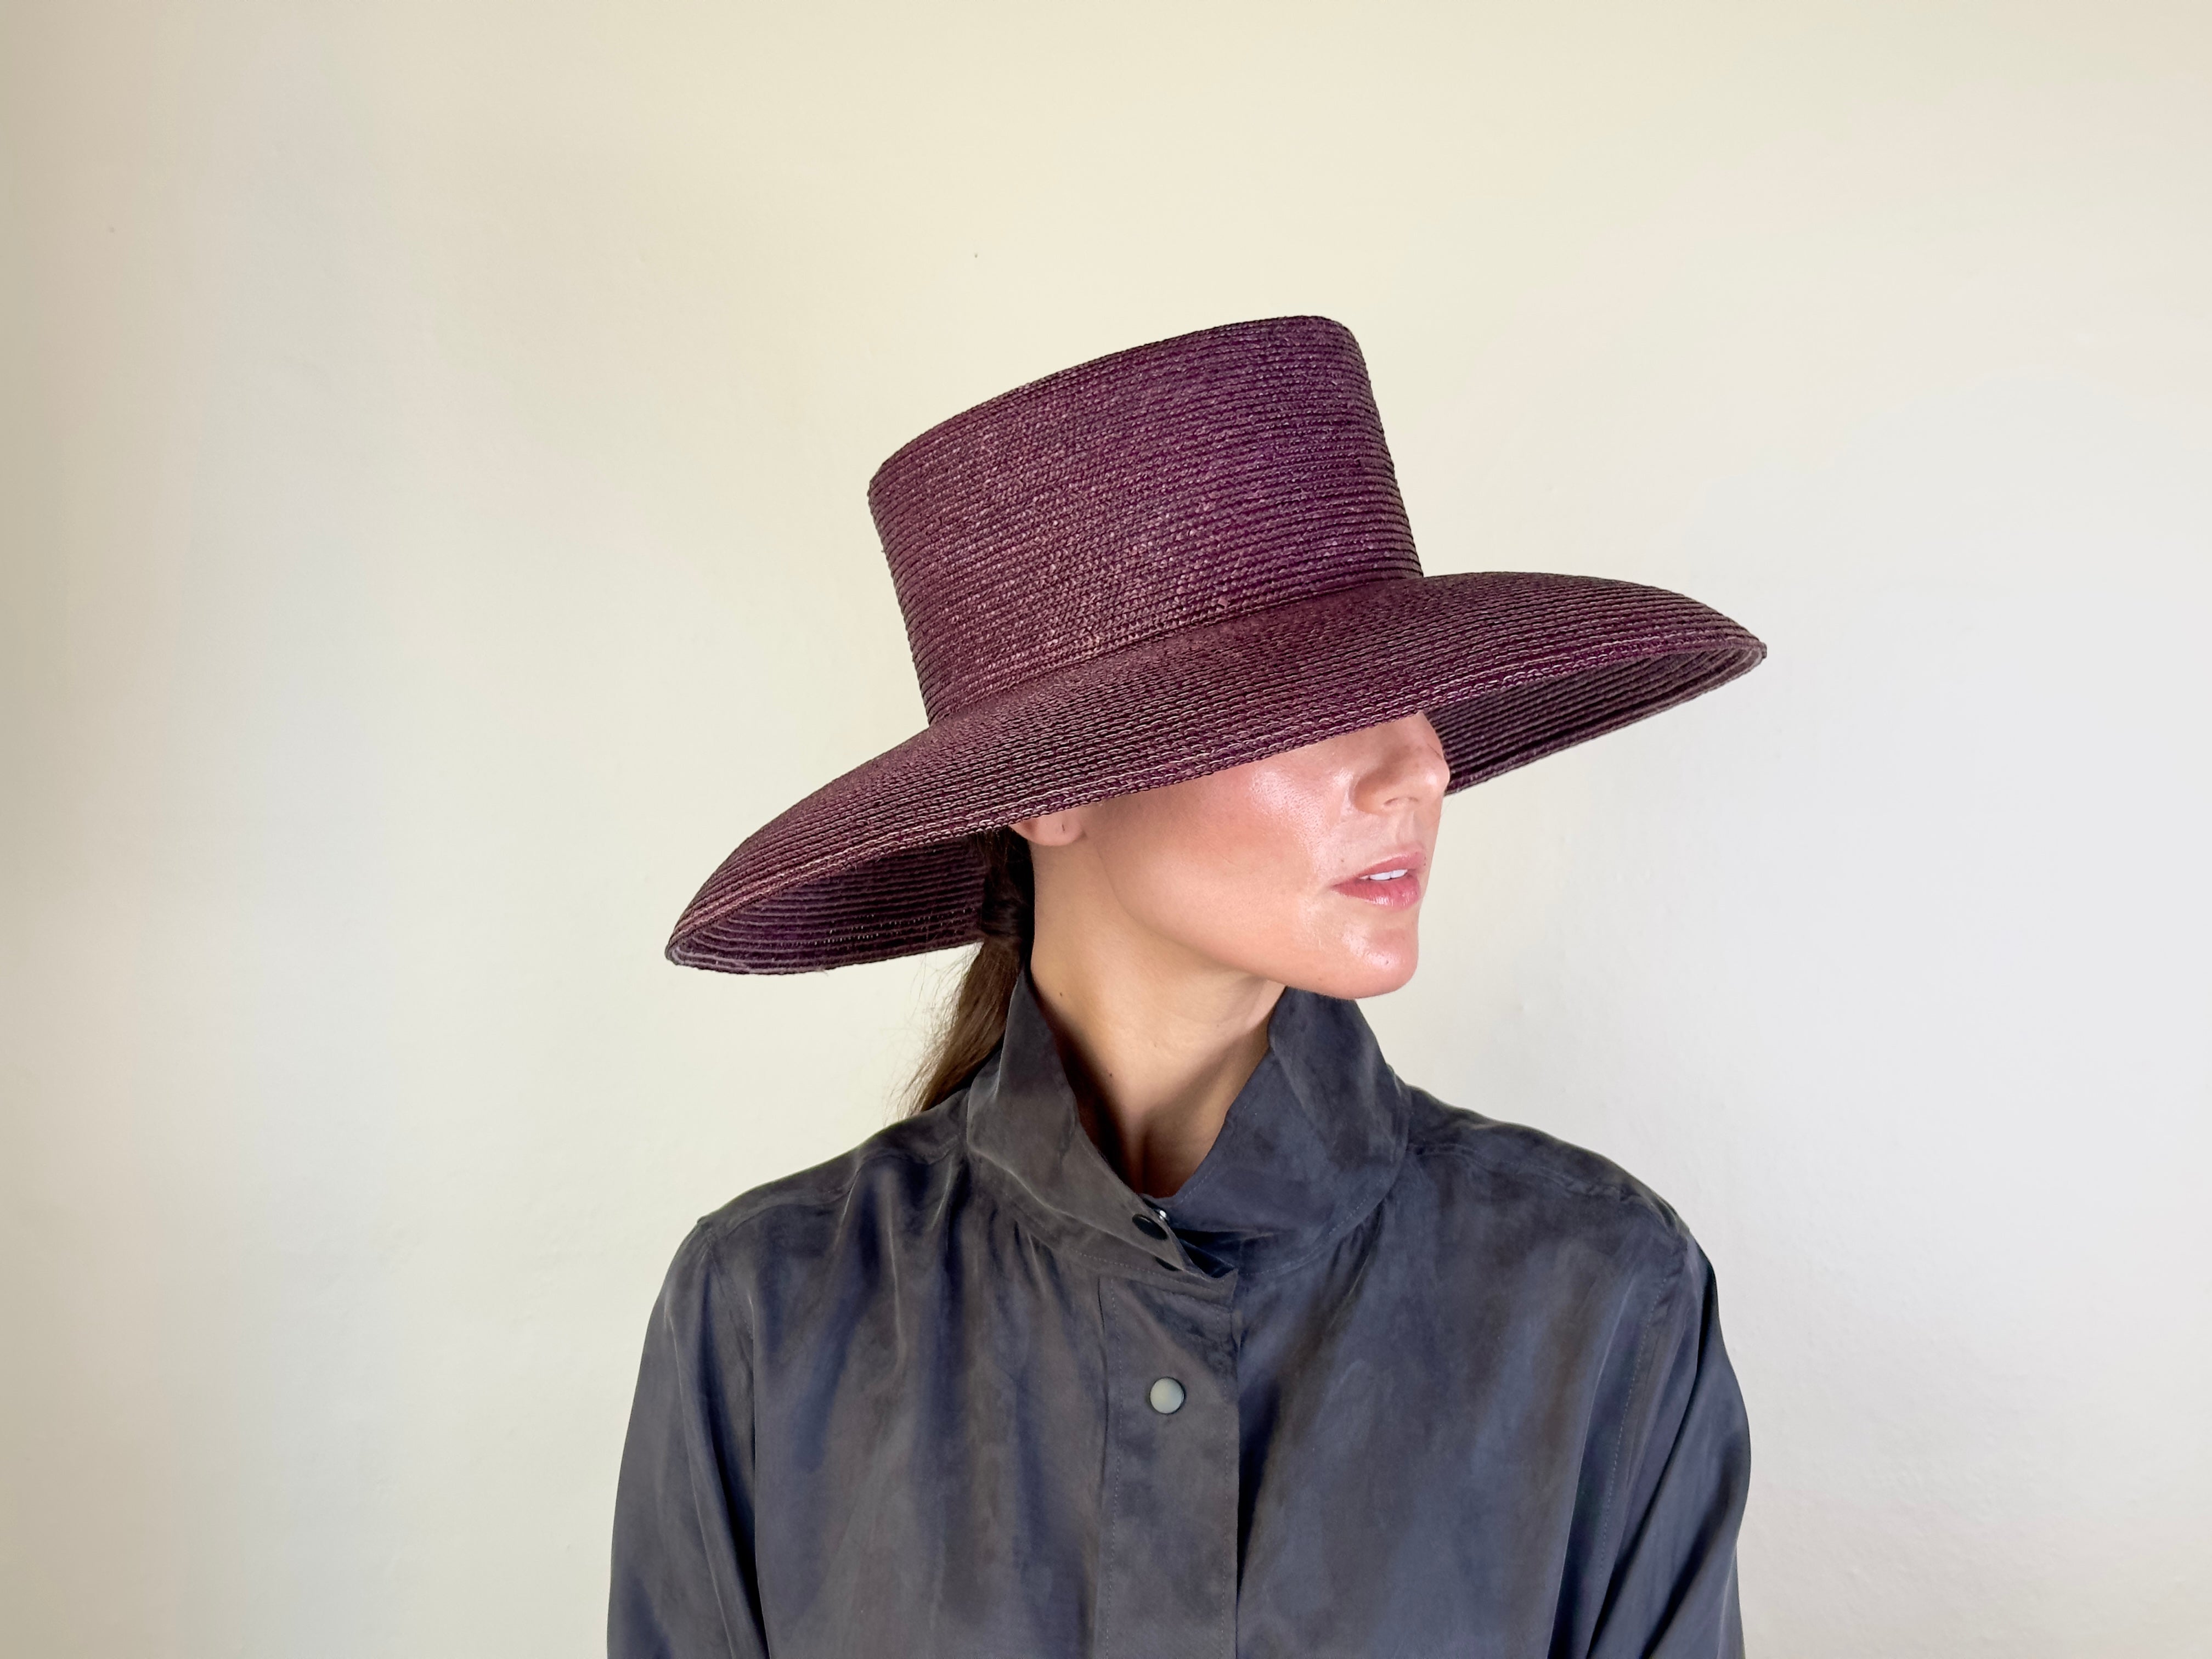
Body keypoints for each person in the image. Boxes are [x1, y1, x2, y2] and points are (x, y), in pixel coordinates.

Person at [611, 317, 1765, 1657]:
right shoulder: (768, 1315)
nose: (1422, 765)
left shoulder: (1595, 1299)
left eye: (1411, 695)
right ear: (1049, 795)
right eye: (1313, 703)